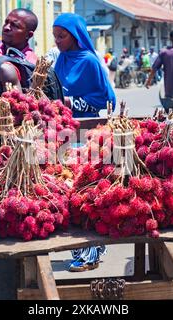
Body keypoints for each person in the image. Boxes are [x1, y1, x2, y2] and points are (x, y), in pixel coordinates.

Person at [53, 13, 116, 271]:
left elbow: (105, 99)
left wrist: (70, 102)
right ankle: (86, 248)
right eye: (55, 35)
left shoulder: (89, 61)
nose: (57, 41)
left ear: (75, 35)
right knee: (69, 190)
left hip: (87, 135)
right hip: (63, 134)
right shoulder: (60, 60)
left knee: (85, 191)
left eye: (62, 35)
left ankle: (88, 252)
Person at [146, 30, 173, 123]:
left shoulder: (164, 52)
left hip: (168, 91)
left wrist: (148, 81)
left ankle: (170, 135)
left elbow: (154, 68)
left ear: (170, 39)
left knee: (169, 118)